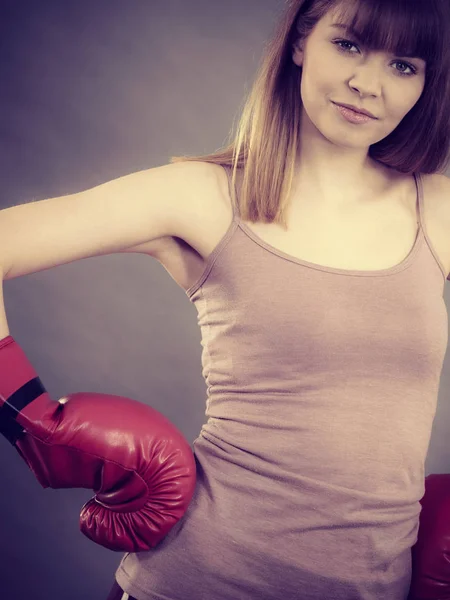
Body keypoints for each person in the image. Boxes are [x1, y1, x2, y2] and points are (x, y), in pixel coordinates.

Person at [1, 0, 450, 598]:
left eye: (403, 65)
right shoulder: (204, 197)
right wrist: (28, 416)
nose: (367, 85)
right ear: (299, 42)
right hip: (196, 580)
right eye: (348, 45)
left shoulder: (438, 211)